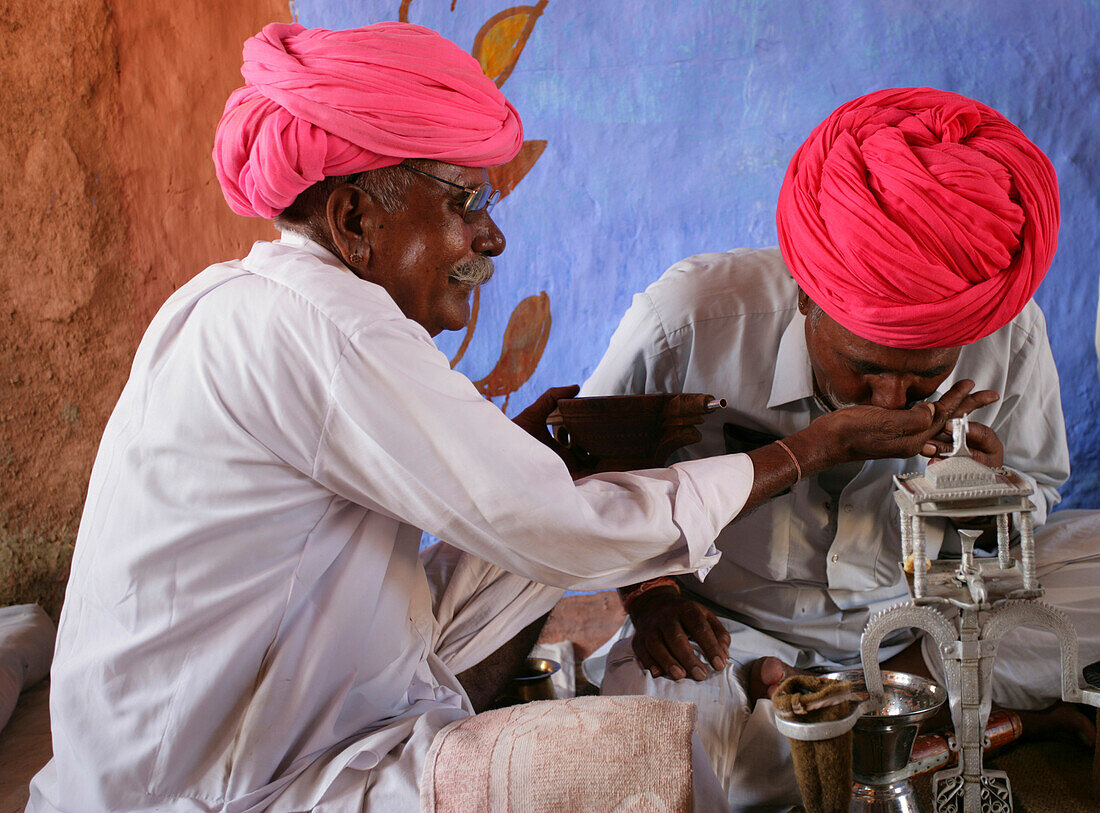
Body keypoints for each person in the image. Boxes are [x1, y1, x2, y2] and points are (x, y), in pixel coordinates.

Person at [26, 27, 980, 813]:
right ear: (357, 217)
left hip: (272, 708)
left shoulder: (261, 301)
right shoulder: (326, 327)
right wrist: (804, 451)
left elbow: (497, 505)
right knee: (639, 754)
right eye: (465, 201)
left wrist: (545, 447)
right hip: (219, 785)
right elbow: (557, 531)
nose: (491, 236)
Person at [582, 87, 1100, 809]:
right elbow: (590, 473)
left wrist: (972, 494)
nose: (889, 399)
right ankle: (910, 730)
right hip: (734, 630)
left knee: (1094, 562)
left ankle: (856, 711)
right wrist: (651, 594)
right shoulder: (689, 320)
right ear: (805, 297)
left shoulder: (1006, 332)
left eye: (924, 374)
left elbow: (1033, 504)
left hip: (922, 626)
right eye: (865, 366)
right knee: (654, 753)